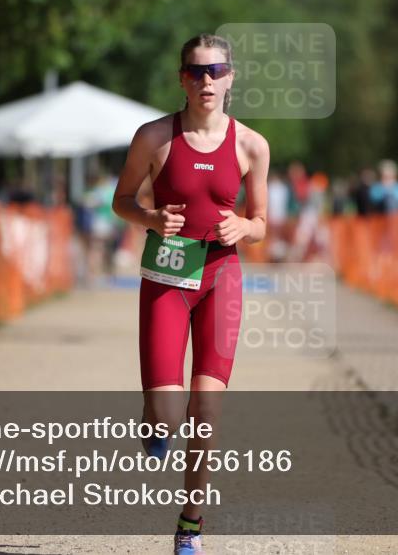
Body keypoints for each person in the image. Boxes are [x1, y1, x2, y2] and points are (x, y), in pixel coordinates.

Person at [112, 33, 269, 555]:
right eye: (196, 72)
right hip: (166, 279)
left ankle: (190, 526)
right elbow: (121, 200)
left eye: (216, 70)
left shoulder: (251, 145)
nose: (207, 81)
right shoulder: (154, 137)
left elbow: (263, 223)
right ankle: (155, 422)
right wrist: (151, 217)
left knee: (207, 411)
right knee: (168, 414)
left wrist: (245, 228)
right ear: (181, 77)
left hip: (221, 279)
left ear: (231, 77)